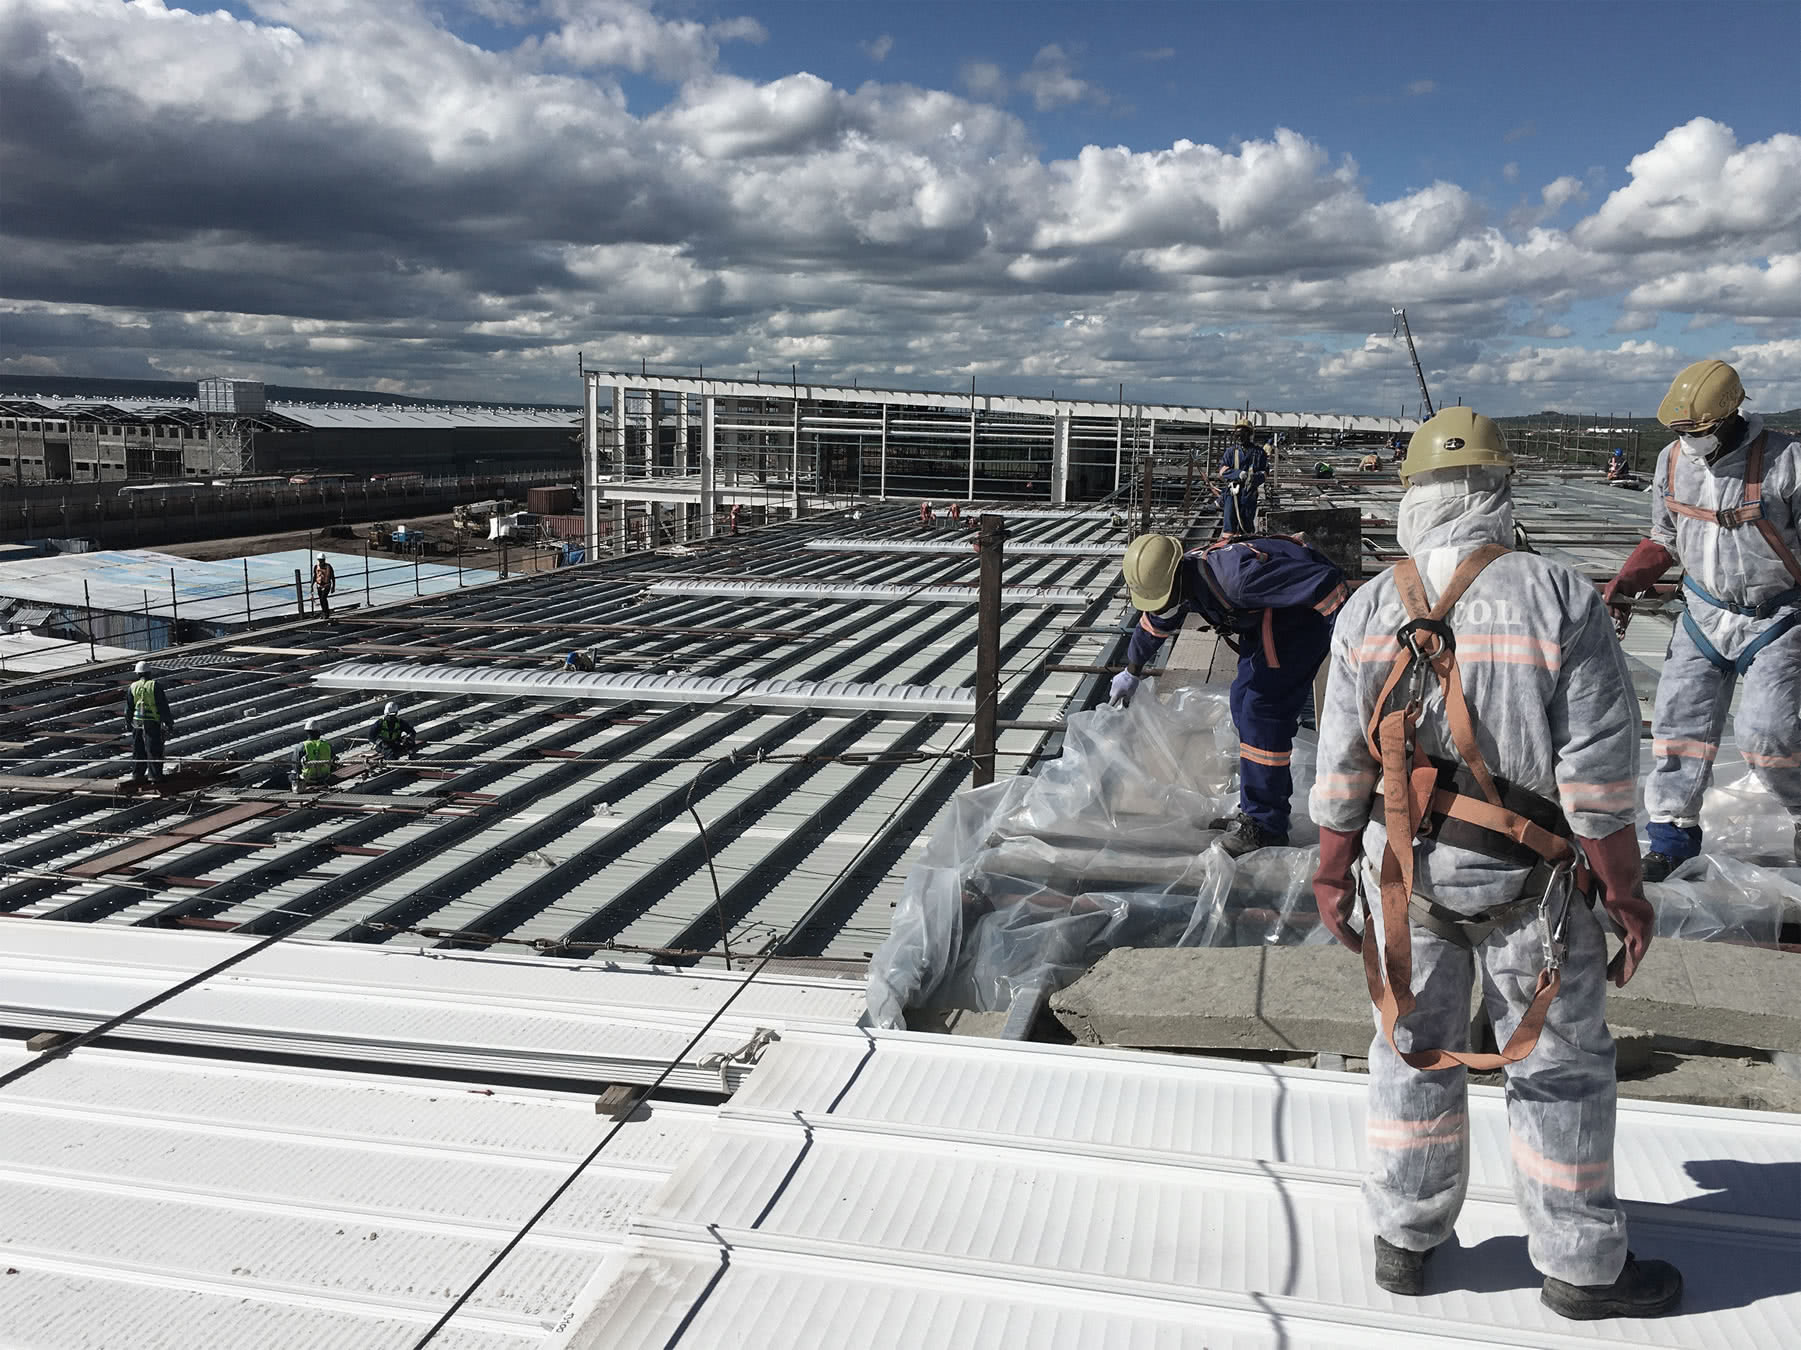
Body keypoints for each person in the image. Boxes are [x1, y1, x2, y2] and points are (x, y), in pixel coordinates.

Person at [1308, 406, 1679, 1319]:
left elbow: (1340, 768)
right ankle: (1580, 1270)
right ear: (1498, 493)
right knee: (1557, 1069)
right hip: (1534, 895)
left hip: (1406, 890)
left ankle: (1404, 1239)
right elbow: (1596, 781)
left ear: (1411, 498)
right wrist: (1626, 896)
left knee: (1407, 1054)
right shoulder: (1559, 597)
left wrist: (1326, 872)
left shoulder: (1366, 607)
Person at [1603, 359, 1801, 880]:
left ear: (1732, 413)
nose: (1689, 440)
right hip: (1703, 613)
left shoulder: (1788, 462)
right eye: (1680, 431)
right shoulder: (1672, 461)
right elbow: (1663, 538)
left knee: (1769, 733)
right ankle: (1672, 838)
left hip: (1777, 615)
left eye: (1698, 430)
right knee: (1678, 730)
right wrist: (1626, 583)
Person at [1112, 530, 1348, 855]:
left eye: (1165, 598)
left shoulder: (1237, 579)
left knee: (1262, 713)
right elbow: (1154, 625)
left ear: (1177, 577)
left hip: (1298, 624)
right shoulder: (1177, 582)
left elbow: (1330, 587)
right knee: (1241, 703)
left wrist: (1350, 649)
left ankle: (1266, 827)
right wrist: (1132, 670)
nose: (1164, 606)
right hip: (1265, 617)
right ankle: (1254, 811)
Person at [123, 659, 174, 789]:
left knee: (138, 749)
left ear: (137, 674)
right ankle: (155, 776)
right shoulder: (154, 686)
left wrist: (128, 722)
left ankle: (137, 775)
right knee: (154, 749)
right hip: (152, 722)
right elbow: (163, 706)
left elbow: (129, 708)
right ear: (149, 673)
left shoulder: (132, 687)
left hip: (137, 723)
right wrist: (169, 722)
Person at [1217, 418, 1268, 535]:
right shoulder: (1231, 452)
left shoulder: (1259, 453)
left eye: (1242, 434)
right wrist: (1238, 474)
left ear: (1249, 434)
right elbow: (1222, 471)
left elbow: (1265, 473)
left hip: (1249, 493)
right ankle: (1228, 546)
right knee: (1229, 524)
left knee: (1247, 524)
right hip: (1233, 493)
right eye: (1237, 434)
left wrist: (1254, 479)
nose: (1239, 437)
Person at [289, 718, 335, 791]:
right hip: (325, 777)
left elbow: (296, 766)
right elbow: (333, 763)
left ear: (307, 732)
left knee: (291, 775)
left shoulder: (301, 747)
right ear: (319, 732)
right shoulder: (327, 745)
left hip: (308, 778)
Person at [312, 555, 336, 621]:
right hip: (319, 586)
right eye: (320, 560)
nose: (321, 562)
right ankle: (323, 612)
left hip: (326, 585)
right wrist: (312, 585)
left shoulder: (328, 567)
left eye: (322, 560)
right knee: (321, 599)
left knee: (323, 598)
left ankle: (326, 613)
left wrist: (333, 586)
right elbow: (315, 576)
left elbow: (333, 577)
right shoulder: (316, 567)